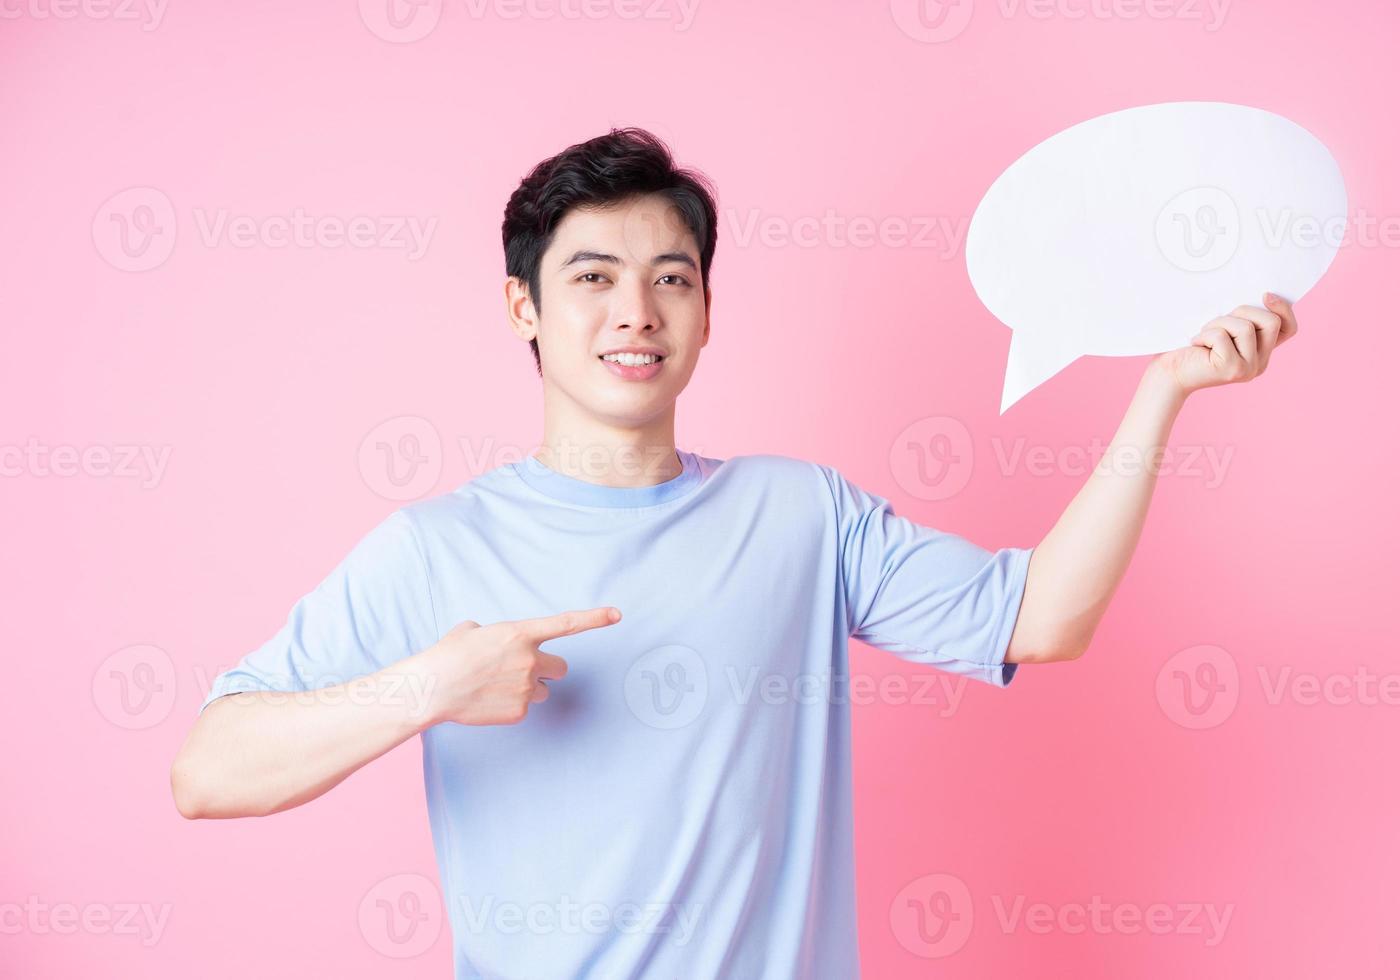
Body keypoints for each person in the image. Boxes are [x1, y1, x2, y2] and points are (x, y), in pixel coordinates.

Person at [169, 127, 1299, 978]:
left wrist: (1166, 392)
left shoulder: (801, 515)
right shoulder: (435, 548)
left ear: (708, 308)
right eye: (593, 277)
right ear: (523, 307)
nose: (637, 311)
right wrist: (431, 685)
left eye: (672, 277)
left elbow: (1042, 617)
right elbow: (208, 770)